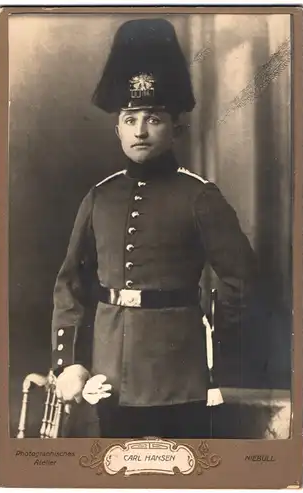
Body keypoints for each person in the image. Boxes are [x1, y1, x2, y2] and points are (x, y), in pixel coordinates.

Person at [52, 18, 257, 438]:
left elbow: (241, 279)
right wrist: (69, 362)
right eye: (130, 119)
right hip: (106, 376)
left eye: (154, 118)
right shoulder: (99, 198)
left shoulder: (200, 196)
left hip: (178, 374)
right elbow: (71, 284)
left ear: (175, 128)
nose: (140, 130)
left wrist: (219, 353)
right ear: (117, 128)